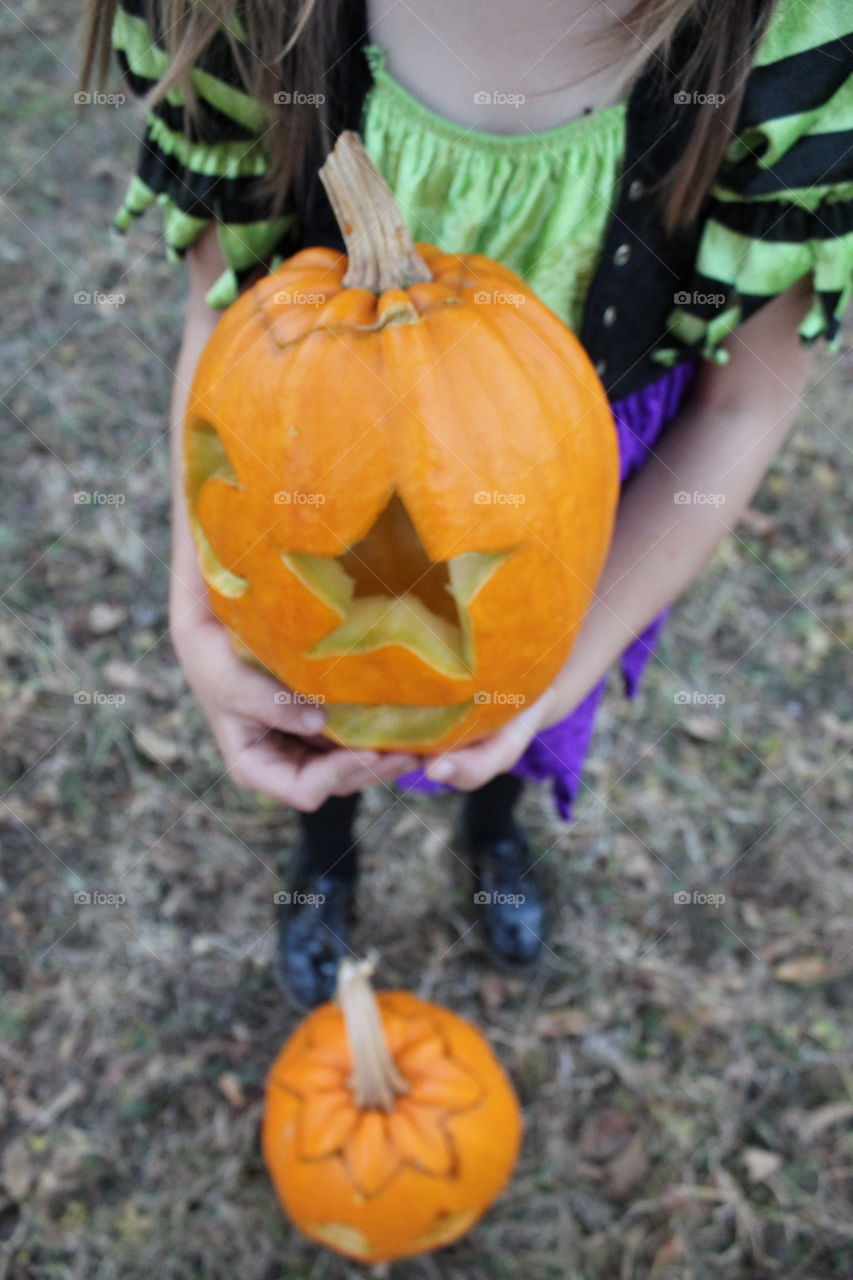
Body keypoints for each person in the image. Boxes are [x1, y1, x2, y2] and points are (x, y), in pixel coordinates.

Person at [82, 0, 853, 1008]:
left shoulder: (799, 36)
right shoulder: (239, 11)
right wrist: (199, 604)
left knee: (499, 714)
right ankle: (322, 857)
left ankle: (492, 832)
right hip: (308, 479)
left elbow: (743, 408)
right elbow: (220, 311)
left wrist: (554, 667)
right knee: (320, 711)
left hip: (574, 514)